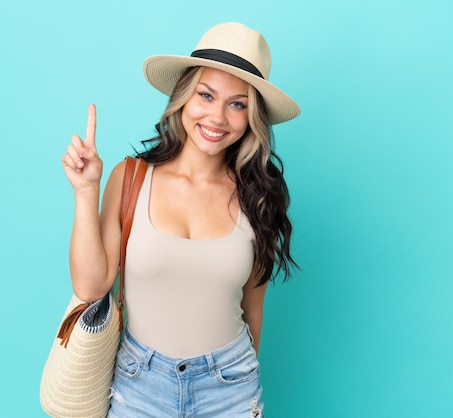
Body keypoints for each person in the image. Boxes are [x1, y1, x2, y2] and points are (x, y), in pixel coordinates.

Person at [61, 22, 300, 418]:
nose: (218, 117)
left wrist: (237, 382)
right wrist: (86, 190)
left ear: (251, 116)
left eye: (237, 103)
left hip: (230, 388)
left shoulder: (259, 196)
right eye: (206, 95)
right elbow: (90, 286)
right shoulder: (131, 177)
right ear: (184, 98)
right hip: (139, 385)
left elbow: (253, 312)